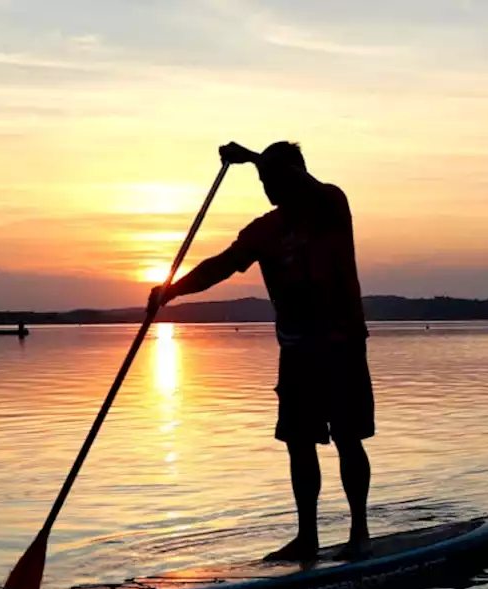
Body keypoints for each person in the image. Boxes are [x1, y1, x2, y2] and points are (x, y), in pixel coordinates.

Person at [148, 141, 373, 561]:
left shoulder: (331, 205)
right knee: (299, 444)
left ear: (295, 173)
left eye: (272, 177)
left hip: (341, 347)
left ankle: (359, 533)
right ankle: (308, 538)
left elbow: (301, 182)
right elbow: (219, 265)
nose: (266, 186)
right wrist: (171, 291)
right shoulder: (263, 232)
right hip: (297, 353)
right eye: (262, 180)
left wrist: (252, 157)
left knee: (347, 438)